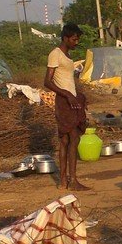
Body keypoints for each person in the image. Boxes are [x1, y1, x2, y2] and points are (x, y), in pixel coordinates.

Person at [44, 23, 89, 191]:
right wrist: (68, 95)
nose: (76, 42)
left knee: (65, 141)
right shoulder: (55, 54)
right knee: (73, 138)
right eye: (74, 39)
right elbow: (47, 81)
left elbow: (67, 80)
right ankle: (73, 180)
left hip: (72, 100)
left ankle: (63, 181)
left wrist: (77, 96)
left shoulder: (67, 56)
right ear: (65, 38)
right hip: (65, 101)